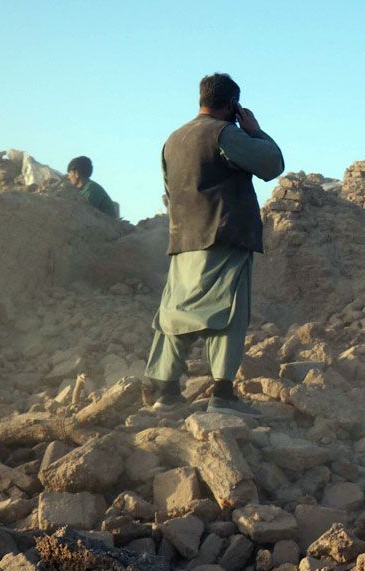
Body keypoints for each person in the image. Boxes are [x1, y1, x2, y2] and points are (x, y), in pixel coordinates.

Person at [144, 73, 284, 417]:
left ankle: (166, 390)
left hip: (183, 240)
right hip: (224, 236)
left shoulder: (172, 140)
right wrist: (254, 131)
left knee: (176, 312)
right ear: (233, 105)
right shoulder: (225, 134)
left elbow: (169, 191)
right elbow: (271, 164)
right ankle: (222, 393)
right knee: (228, 312)